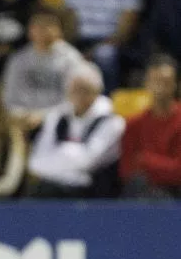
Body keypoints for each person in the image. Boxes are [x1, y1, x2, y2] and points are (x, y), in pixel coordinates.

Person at [27, 62, 125, 198]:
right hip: (54, 187)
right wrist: (70, 157)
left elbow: (88, 161)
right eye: (75, 89)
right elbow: (35, 162)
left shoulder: (111, 121)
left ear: (97, 90)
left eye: (85, 90)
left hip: (95, 194)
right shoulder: (57, 117)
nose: (79, 95)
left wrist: (59, 154)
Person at [1, 6, 84, 133]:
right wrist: (20, 114)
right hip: (22, 123)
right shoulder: (18, 59)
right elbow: (8, 98)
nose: (41, 29)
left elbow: (75, 101)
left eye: (48, 24)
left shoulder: (72, 60)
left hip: (59, 124)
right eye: (36, 24)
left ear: (59, 29)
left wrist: (44, 115)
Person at [120, 55, 181, 198]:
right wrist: (164, 166)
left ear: (176, 84)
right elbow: (126, 170)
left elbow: (179, 171)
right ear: (146, 83)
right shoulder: (134, 124)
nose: (160, 87)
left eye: (165, 82)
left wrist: (146, 160)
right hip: (143, 191)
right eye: (155, 81)